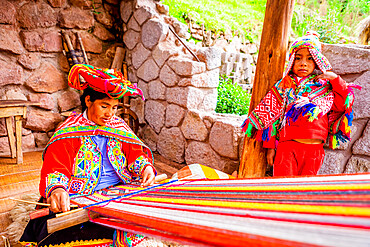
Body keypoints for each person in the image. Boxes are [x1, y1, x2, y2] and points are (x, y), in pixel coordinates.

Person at [20, 64, 156, 246]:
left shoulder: (119, 127)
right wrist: (58, 189)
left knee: (151, 216)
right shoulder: (70, 131)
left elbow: (135, 155)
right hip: (80, 197)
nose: (110, 114)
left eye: (114, 108)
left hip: (117, 193)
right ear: (89, 101)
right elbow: (56, 167)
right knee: (56, 232)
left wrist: (145, 167)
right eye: (104, 106)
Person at [241, 31, 360, 176]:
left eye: (310, 59)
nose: (303, 63)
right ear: (291, 61)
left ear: (317, 61)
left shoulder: (324, 86)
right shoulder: (284, 86)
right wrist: (270, 148)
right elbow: (273, 118)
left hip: (314, 151)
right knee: (283, 188)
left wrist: (335, 79)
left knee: (304, 191)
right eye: (298, 58)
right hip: (286, 148)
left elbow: (342, 105)